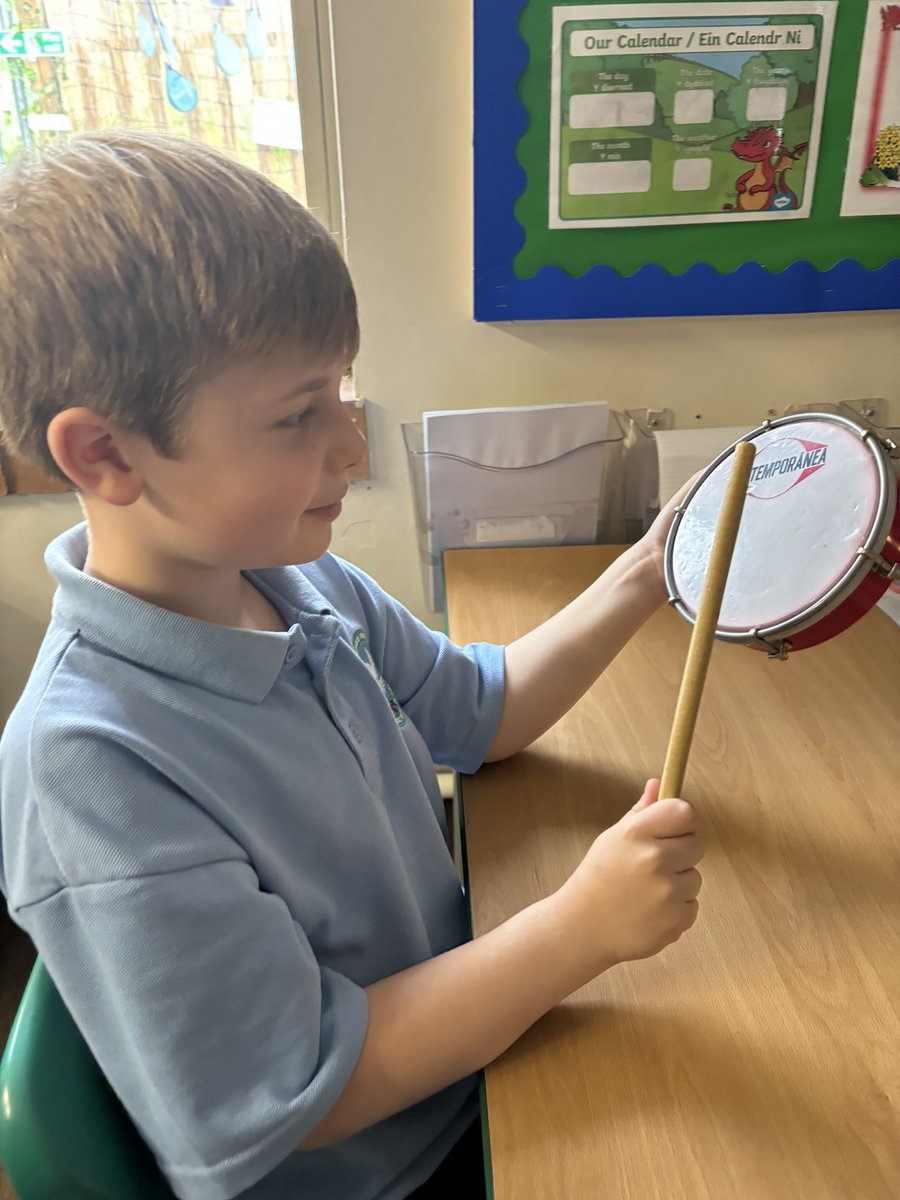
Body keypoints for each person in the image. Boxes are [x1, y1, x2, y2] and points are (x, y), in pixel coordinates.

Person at [0, 131, 703, 1200]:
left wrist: (648, 573)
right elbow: (297, 1092)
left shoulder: (291, 580)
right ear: (104, 455)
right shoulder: (91, 766)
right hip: (394, 1165)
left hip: (474, 1063)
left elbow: (483, 709)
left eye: (341, 390)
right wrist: (577, 928)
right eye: (298, 414)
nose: (353, 445)